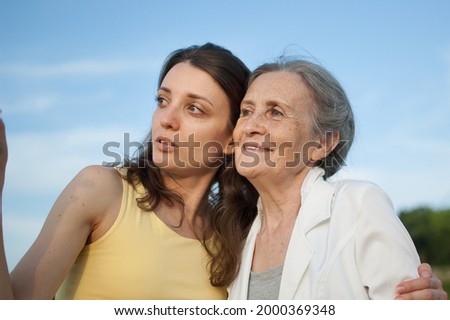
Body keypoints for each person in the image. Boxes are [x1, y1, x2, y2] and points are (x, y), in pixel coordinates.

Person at [0, 44, 446, 300]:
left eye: (194, 108)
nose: (166, 119)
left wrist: (428, 306)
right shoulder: (101, 188)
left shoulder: (233, 233)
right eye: (162, 100)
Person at [225, 58, 448, 299]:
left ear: (322, 143)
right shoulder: (240, 238)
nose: (250, 126)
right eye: (246, 111)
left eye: (275, 112)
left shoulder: (359, 206)